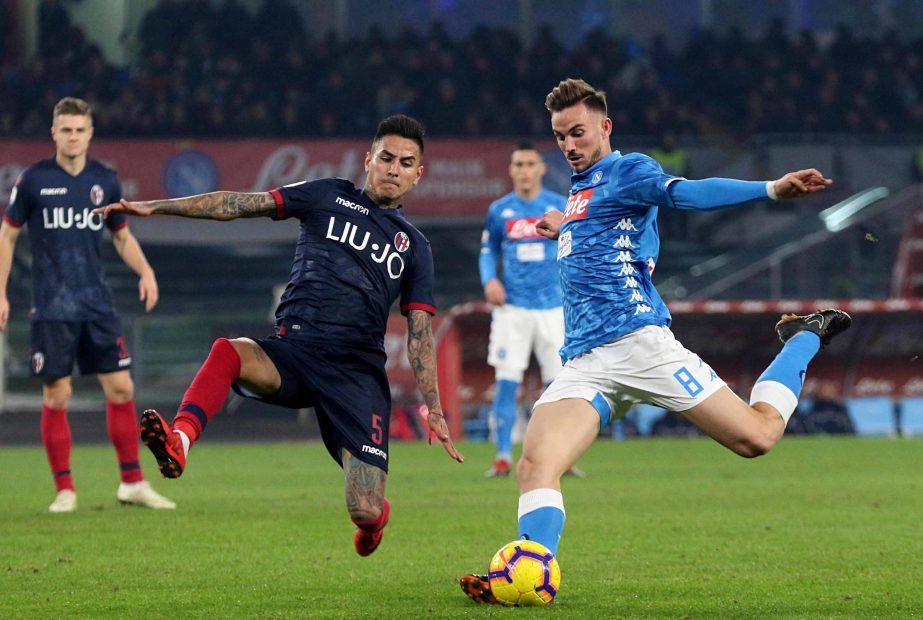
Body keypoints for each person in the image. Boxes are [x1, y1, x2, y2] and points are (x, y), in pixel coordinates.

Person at [460, 78, 850, 604]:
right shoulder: (579, 192)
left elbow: (684, 193)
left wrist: (770, 189)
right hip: (585, 362)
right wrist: (563, 225)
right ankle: (529, 573)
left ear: (605, 127)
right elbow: (607, 235)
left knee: (756, 438)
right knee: (535, 464)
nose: (569, 146)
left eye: (578, 133)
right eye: (560, 137)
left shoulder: (628, 169)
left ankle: (802, 339)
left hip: (640, 345)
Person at [96, 114, 464, 556]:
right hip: (294, 350)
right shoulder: (326, 194)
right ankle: (179, 442)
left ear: (418, 175)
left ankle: (373, 525)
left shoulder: (414, 245)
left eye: (406, 163)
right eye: (386, 158)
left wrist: (435, 407)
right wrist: (153, 207)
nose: (394, 169)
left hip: (355, 374)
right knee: (229, 352)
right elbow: (237, 204)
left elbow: (420, 330)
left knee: (364, 508)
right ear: (368, 159)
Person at [0, 97, 175, 512]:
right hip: (52, 307)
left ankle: (132, 482)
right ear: (54, 133)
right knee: (57, 394)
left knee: (121, 388)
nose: (73, 136)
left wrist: (145, 271)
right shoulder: (33, 181)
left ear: (90, 133)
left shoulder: (106, 181)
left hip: (96, 304)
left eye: (80, 130)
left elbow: (121, 236)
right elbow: (7, 236)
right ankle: (65, 489)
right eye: (66, 130)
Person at [479, 141, 568, 478]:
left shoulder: (558, 207)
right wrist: (489, 280)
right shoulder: (500, 210)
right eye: (518, 164)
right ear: (511, 169)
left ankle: (560, 456)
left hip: (553, 308)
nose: (524, 171)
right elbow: (488, 252)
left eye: (530, 164)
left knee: (559, 386)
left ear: (541, 169)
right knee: (506, 381)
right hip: (512, 309)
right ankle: (503, 455)